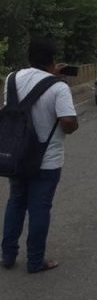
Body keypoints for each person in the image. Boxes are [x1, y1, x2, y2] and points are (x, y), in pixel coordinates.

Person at [1, 36, 78, 273]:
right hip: (47, 159)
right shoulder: (58, 87)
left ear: (29, 57)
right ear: (53, 61)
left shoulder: (12, 79)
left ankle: (7, 255)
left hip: (16, 155)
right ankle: (35, 261)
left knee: (15, 203)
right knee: (39, 208)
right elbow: (68, 122)